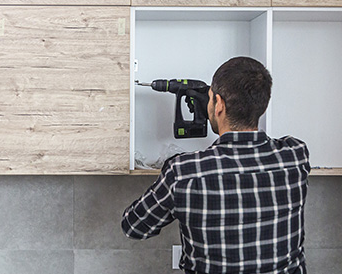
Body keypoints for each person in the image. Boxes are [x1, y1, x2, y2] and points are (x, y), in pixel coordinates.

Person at [122, 56, 310, 274]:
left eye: (210, 98)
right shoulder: (295, 155)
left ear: (219, 104)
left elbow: (133, 227)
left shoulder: (183, 173)